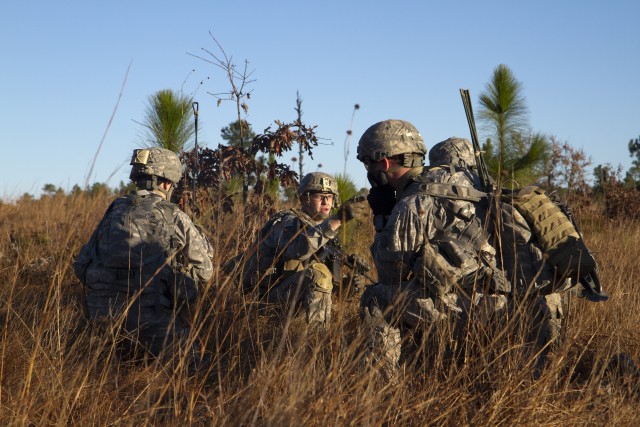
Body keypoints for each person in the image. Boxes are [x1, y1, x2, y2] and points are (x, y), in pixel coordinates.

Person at [356, 121, 508, 382]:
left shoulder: (413, 203)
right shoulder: (473, 181)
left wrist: (382, 217)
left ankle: (380, 387)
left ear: (384, 163)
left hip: (468, 311)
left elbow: (390, 274)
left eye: (368, 164)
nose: (368, 171)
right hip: (506, 297)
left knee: (377, 299)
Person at [74, 147, 213, 374]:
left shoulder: (115, 209)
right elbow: (205, 272)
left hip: (101, 317)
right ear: (167, 183)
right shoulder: (173, 215)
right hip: (151, 317)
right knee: (198, 370)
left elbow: (81, 267)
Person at [242, 172, 368, 329]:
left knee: (322, 274)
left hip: (293, 304)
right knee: (319, 273)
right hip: (264, 302)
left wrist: (350, 285)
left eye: (329, 197)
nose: (325, 201)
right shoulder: (286, 221)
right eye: (319, 196)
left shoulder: (326, 234)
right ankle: (315, 341)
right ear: (303, 198)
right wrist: (336, 220)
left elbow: (330, 291)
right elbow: (298, 249)